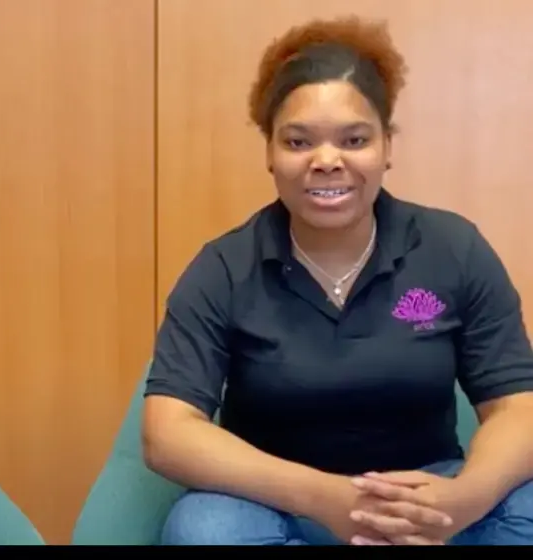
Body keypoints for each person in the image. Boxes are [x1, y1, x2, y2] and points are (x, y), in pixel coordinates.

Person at [142, 16, 533, 546]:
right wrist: (325, 498)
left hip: (426, 503)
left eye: (354, 139)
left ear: (386, 147)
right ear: (270, 153)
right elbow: (168, 433)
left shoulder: (453, 248)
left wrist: (464, 499)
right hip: (280, 507)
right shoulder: (223, 268)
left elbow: (518, 407)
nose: (327, 161)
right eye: (299, 142)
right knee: (204, 529)